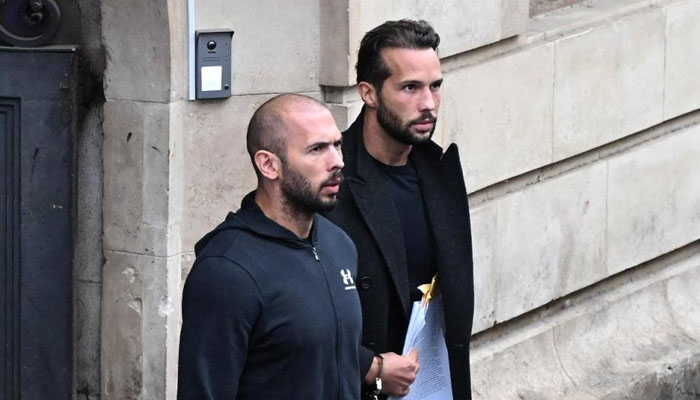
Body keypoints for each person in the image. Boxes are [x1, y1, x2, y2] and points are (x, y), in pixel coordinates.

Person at [323, 19, 474, 399]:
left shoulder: (439, 170)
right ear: (368, 93)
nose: (427, 103)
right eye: (410, 87)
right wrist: (369, 369)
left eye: (435, 86)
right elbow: (296, 309)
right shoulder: (329, 177)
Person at [177, 94, 362, 399]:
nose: (338, 162)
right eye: (317, 149)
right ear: (268, 165)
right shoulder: (226, 271)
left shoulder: (339, 244)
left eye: (337, 144)